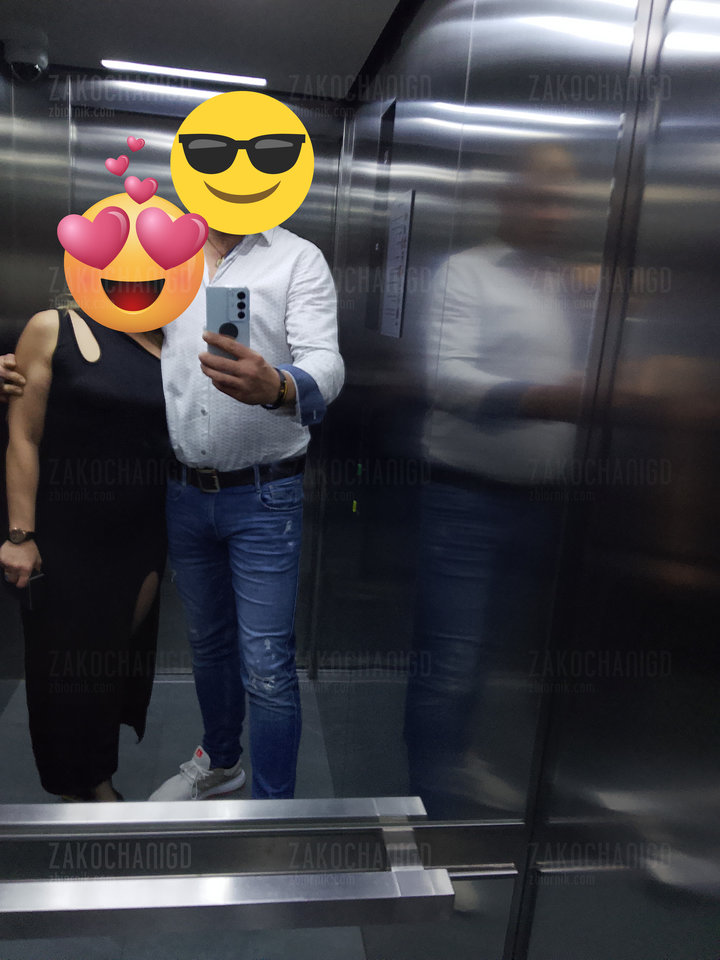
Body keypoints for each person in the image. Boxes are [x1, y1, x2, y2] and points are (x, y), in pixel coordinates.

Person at [149, 223, 343, 801]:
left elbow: (326, 362)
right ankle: (221, 762)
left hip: (265, 496)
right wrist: (28, 360)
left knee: (266, 662)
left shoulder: (296, 258)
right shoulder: (164, 253)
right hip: (185, 491)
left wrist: (280, 386)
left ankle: (273, 808)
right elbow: (117, 329)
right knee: (207, 644)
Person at [0, 308, 171, 801]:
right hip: (64, 536)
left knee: (110, 664)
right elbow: (23, 436)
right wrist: (19, 536)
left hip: (142, 534)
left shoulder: (173, 340)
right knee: (65, 672)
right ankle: (83, 793)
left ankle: (97, 781)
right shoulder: (53, 327)